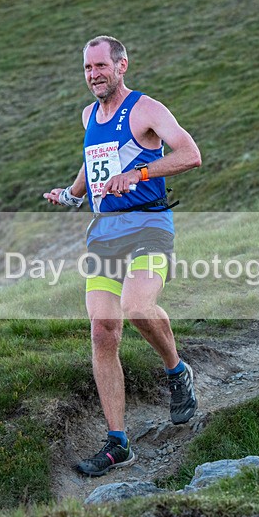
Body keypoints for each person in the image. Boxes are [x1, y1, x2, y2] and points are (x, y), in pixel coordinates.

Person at [43, 35, 202, 477]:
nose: (93, 75)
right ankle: (118, 443)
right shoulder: (88, 115)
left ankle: (176, 370)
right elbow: (93, 161)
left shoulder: (147, 109)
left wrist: (140, 172)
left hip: (150, 224)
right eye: (87, 68)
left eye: (100, 66)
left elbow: (191, 155)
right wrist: (72, 194)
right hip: (105, 234)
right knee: (103, 329)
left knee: (136, 307)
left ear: (121, 66)